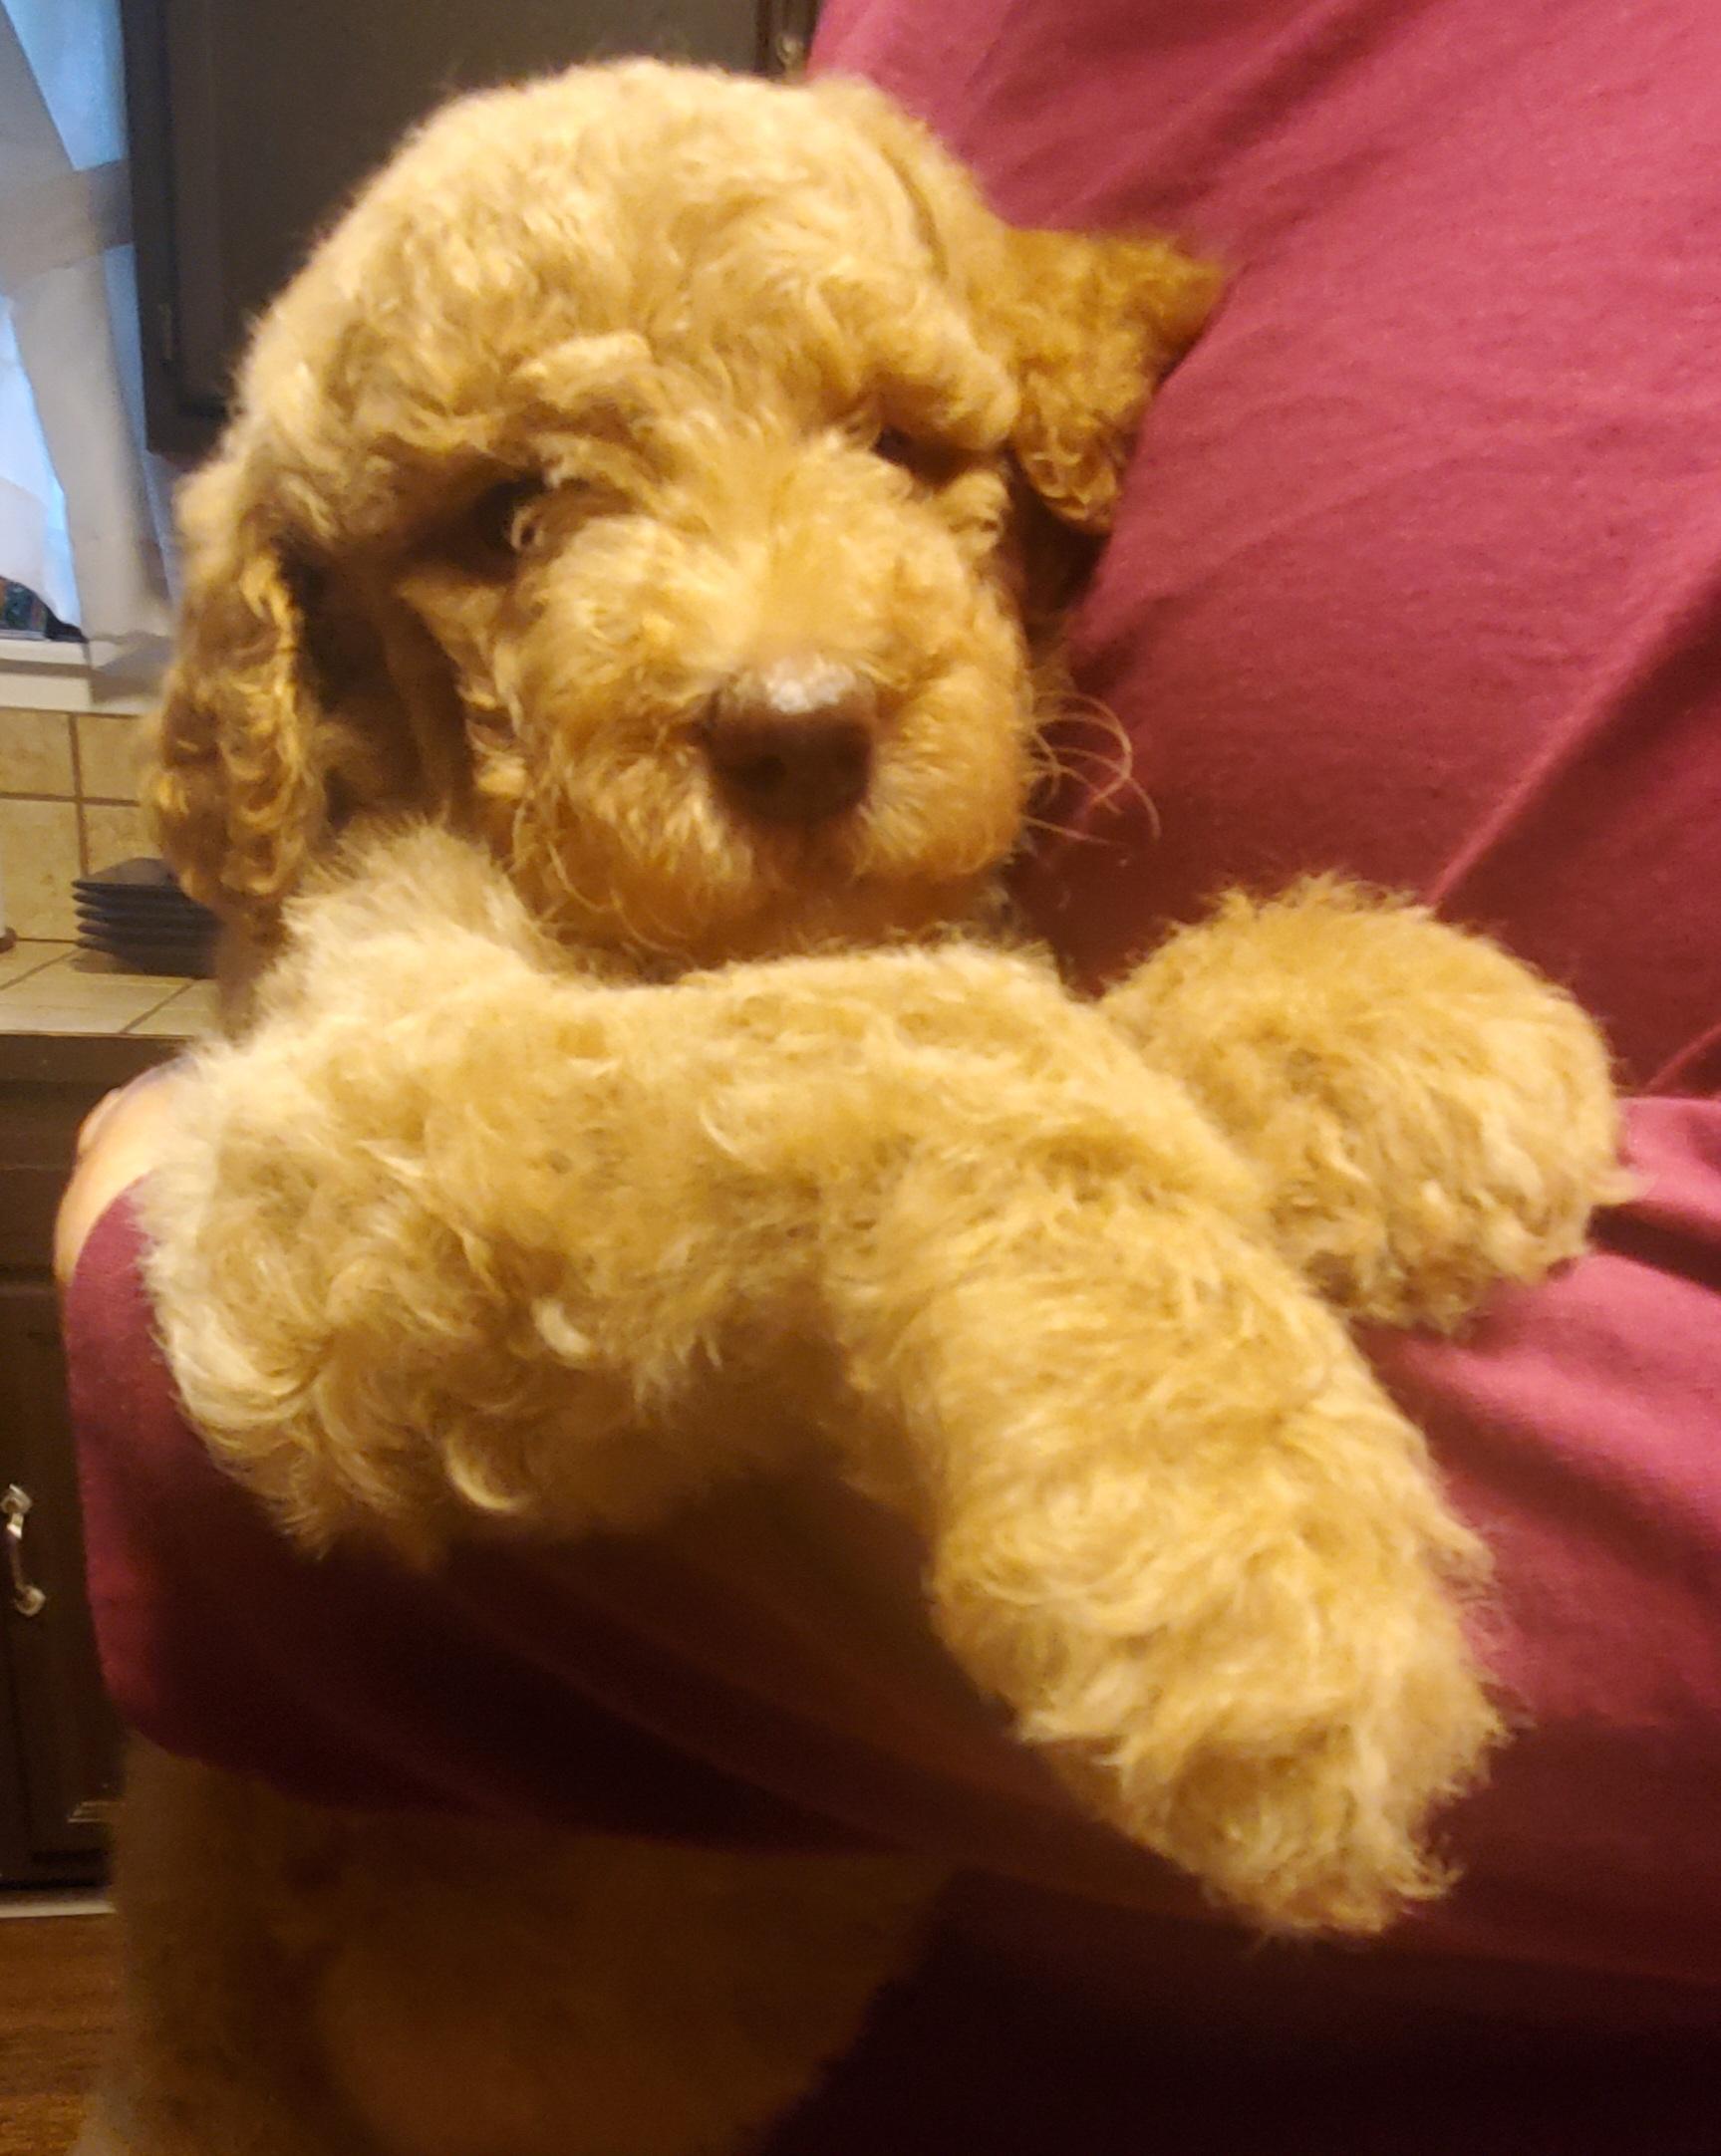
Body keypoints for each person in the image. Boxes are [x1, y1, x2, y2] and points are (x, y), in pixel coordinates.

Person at [59, 0, 1720, 2142]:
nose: (786, 664)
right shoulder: (429, 918)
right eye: (514, 517)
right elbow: (345, 1212)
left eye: (891, 442)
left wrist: (1255, 1037)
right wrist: (978, 1168)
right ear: (302, 630)